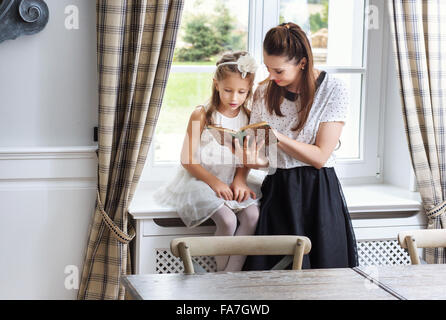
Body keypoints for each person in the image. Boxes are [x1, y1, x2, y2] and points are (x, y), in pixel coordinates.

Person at [234, 23, 358, 270]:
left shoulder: (334, 89)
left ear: (302, 62)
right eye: (268, 68)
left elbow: (320, 156)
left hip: (317, 192)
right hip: (278, 188)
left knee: (321, 278)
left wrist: (277, 137)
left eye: (278, 70)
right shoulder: (264, 92)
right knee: (270, 277)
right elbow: (260, 155)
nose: (271, 76)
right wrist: (241, 175)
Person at [155, 51, 261, 272]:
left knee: (253, 216)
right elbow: (187, 160)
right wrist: (216, 183)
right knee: (228, 220)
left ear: (249, 90)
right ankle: (224, 280)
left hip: (234, 181)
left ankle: (229, 277)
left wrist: (240, 180)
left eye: (242, 92)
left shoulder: (250, 117)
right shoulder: (202, 114)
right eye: (228, 90)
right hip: (201, 180)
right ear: (216, 85)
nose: (234, 98)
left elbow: (247, 158)